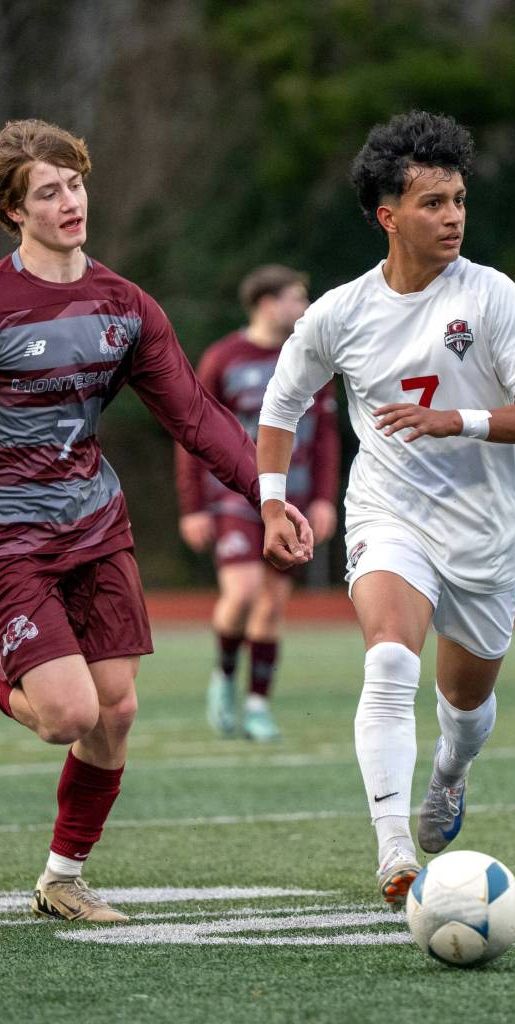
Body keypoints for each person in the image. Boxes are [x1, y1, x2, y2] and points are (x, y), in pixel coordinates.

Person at [0, 118, 311, 923]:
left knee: (117, 709)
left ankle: (62, 878)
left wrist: (267, 496)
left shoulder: (123, 305)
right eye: (48, 192)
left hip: (95, 525)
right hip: (8, 540)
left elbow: (197, 419)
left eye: (75, 183)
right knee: (66, 713)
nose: (70, 202)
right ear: (12, 212)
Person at [256, 110, 515, 908]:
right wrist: (272, 502)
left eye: (458, 199)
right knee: (390, 656)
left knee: (464, 708)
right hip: (388, 511)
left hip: (484, 533)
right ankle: (394, 849)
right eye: (433, 203)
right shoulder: (339, 312)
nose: (453, 216)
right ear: (388, 215)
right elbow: (281, 405)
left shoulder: (491, 296)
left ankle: (449, 774)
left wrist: (454, 419)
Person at [175, 265, 340, 741]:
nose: (305, 308)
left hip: (294, 499)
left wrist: (325, 499)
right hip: (232, 498)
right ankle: (225, 676)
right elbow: (194, 433)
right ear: (267, 303)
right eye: (296, 297)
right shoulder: (224, 357)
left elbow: (327, 435)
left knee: (271, 605)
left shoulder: (311, 357)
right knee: (243, 594)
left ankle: (258, 706)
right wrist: (192, 507)